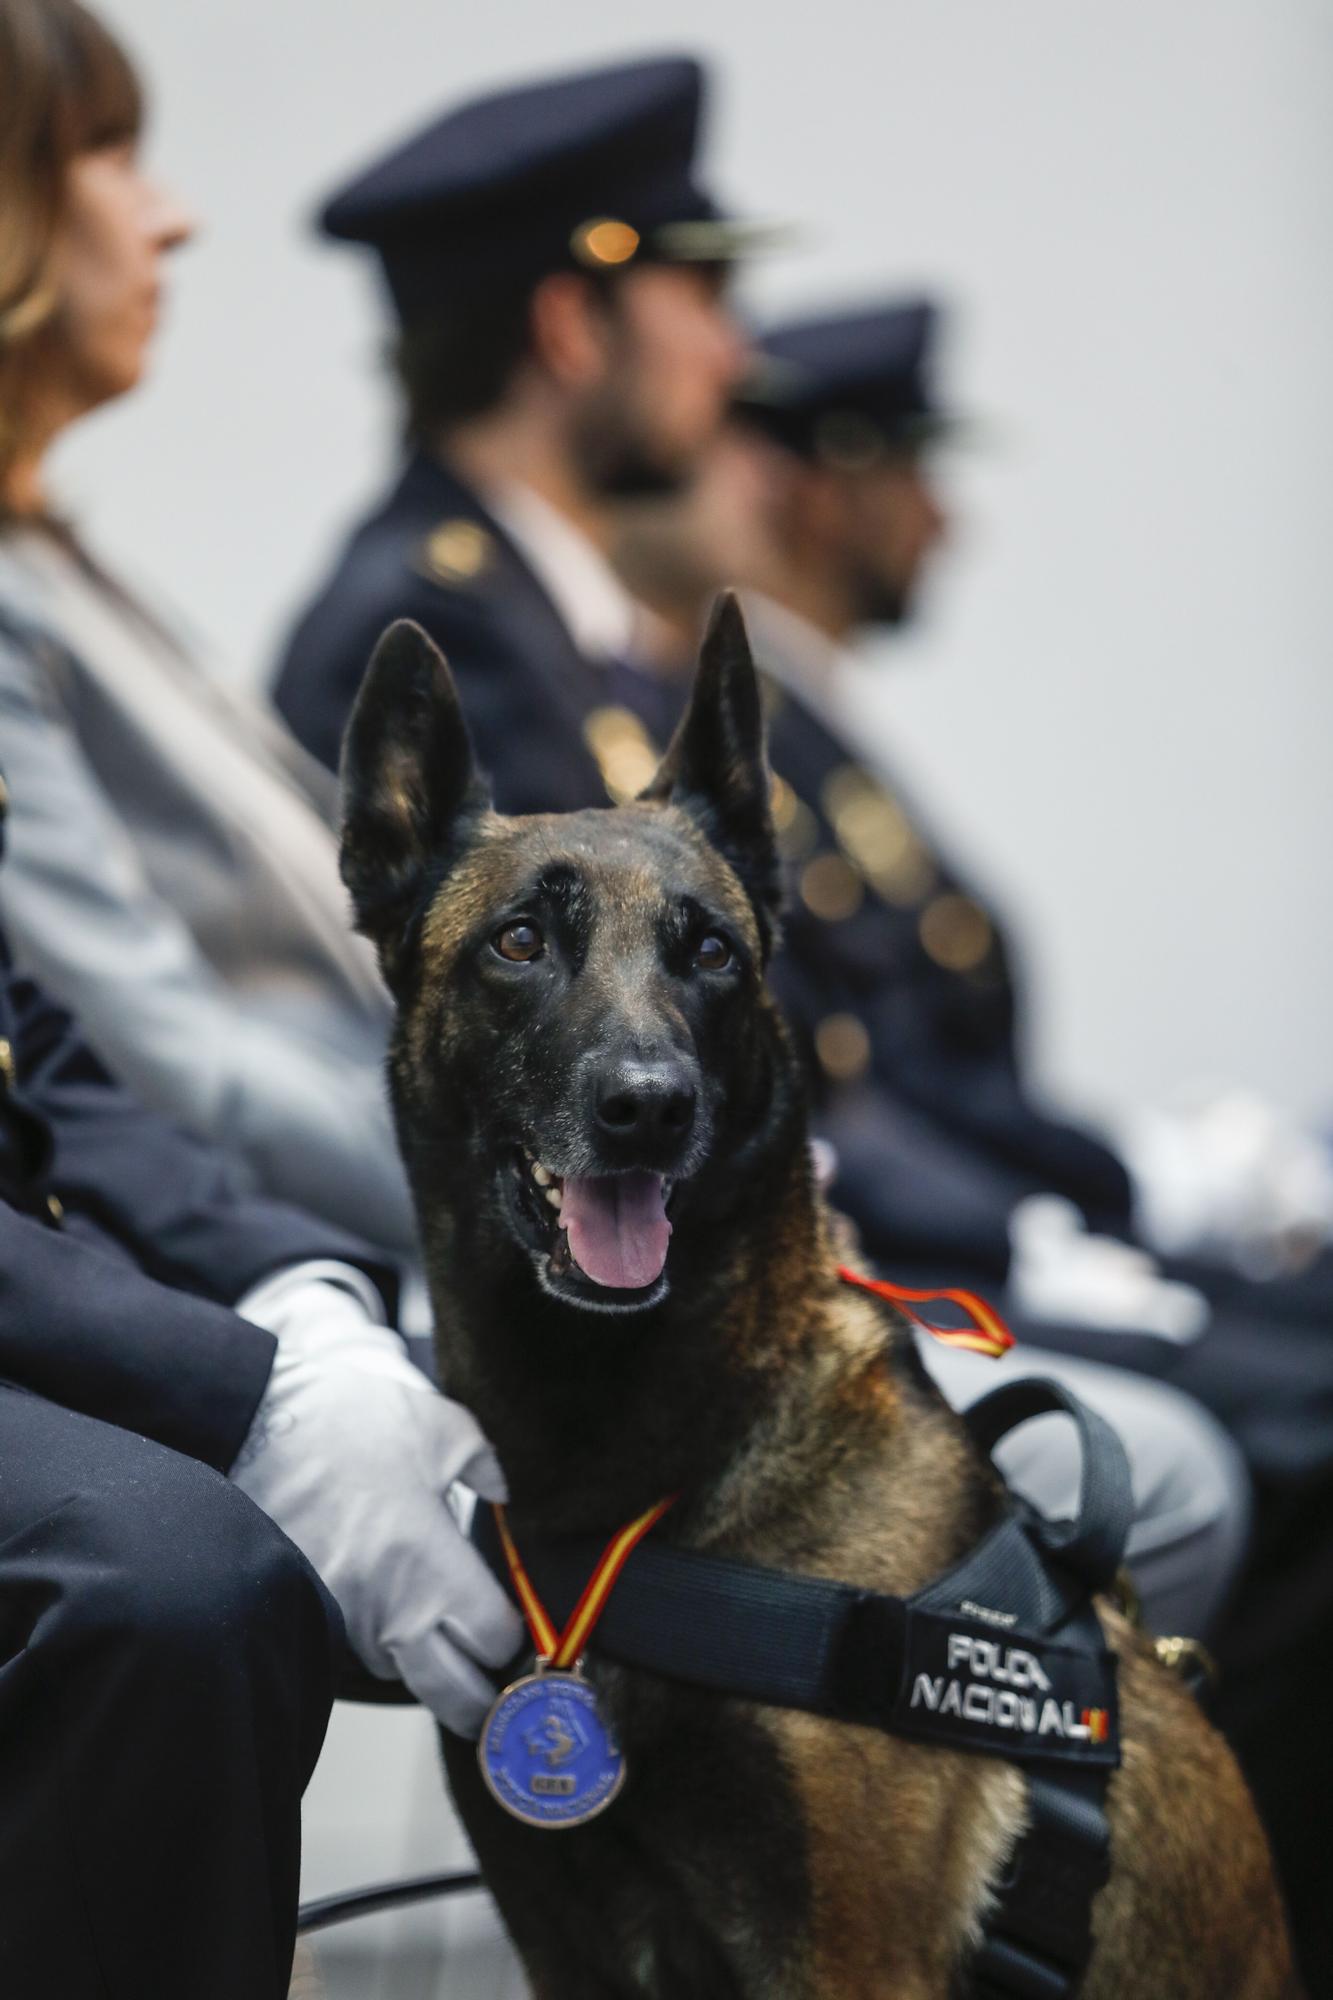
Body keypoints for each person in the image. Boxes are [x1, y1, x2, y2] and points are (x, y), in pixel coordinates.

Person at [611, 305, 1333, 1981]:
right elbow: (816, 1070)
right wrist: (1062, 1225)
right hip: (833, 1268)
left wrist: (1103, 1192)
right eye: (915, 475)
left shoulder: (803, 713)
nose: (949, 523)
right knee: (1291, 1440)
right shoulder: (693, 699)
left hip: (922, 1226)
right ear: (818, 484)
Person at [0, 0, 415, 1257]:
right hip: (317, 1259)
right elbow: (170, 1063)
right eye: (113, 159)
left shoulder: (62, 559)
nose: (172, 218)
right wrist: (523, 1175)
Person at [273, 52, 761, 801]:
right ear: (571, 329)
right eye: (702, 299)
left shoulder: (540, 621)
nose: (731, 358)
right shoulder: (436, 642)